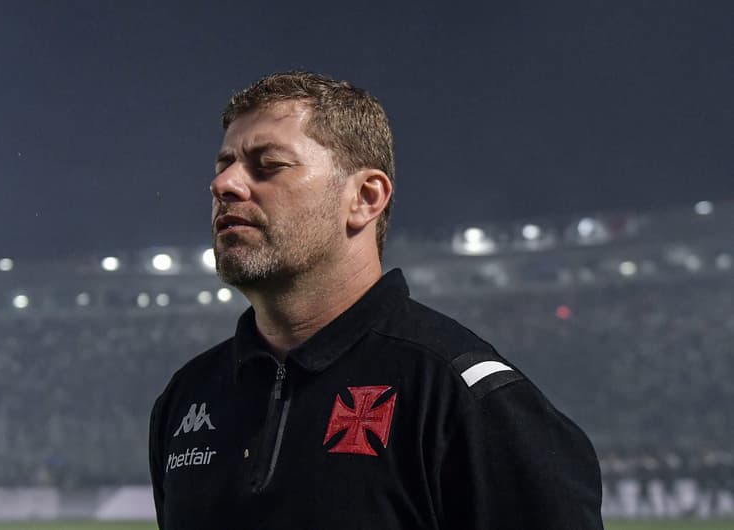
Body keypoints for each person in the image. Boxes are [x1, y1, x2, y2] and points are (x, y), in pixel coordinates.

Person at [149, 71, 604, 529]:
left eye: (267, 165)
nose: (224, 184)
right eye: (222, 165)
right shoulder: (187, 398)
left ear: (365, 198)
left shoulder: (466, 399)